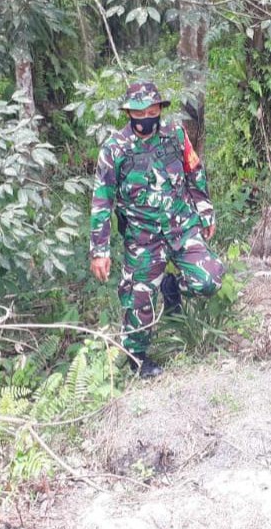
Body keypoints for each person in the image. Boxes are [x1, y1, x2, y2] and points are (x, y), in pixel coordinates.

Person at [89, 81, 225, 379]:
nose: (146, 118)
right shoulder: (114, 150)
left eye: (152, 111)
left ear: (159, 110)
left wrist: (204, 210)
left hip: (182, 226)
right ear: (128, 114)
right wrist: (99, 250)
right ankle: (138, 359)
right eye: (139, 113)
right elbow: (102, 201)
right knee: (137, 302)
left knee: (209, 280)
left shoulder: (175, 135)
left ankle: (173, 288)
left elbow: (194, 172)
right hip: (143, 238)